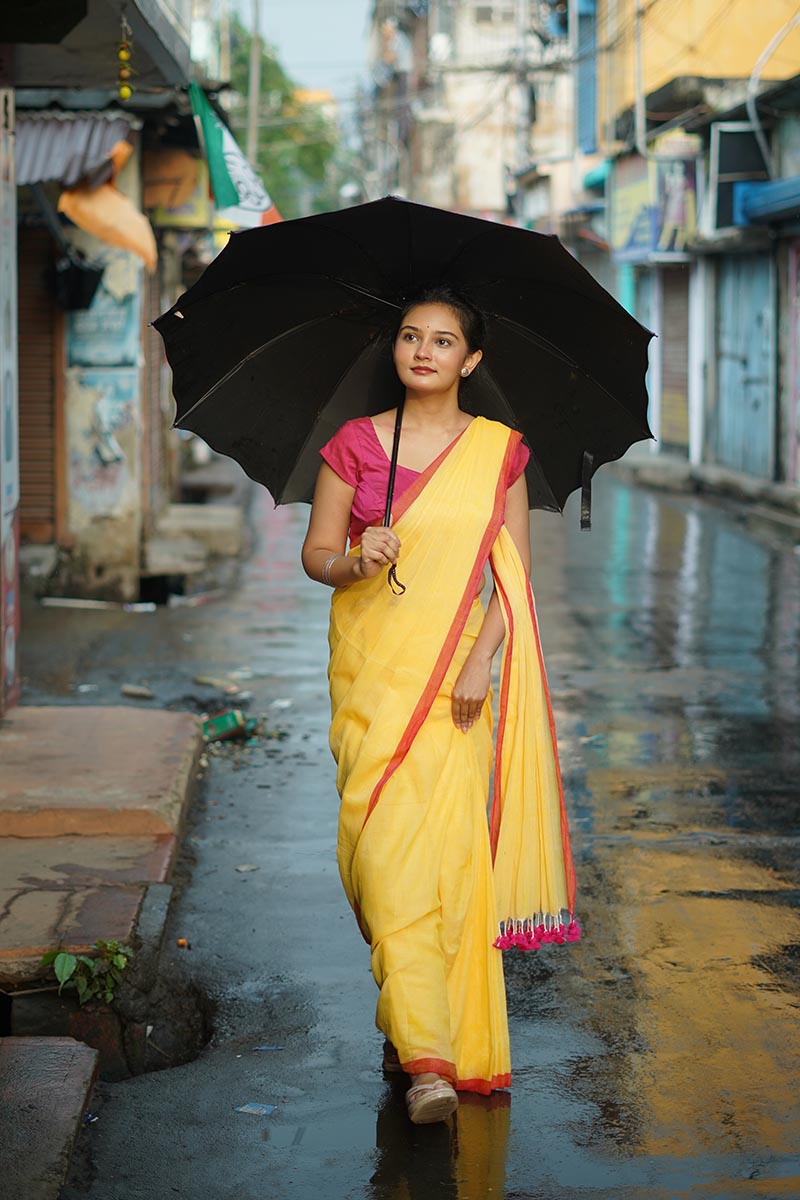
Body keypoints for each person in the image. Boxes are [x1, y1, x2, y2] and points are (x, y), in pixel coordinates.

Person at [301, 284, 578, 1126]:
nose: (423, 351)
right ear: (395, 349)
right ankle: (413, 1017)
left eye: (443, 340)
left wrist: (483, 663)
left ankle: (428, 1058)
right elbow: (318, 555)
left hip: (454, 684)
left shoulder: (499, 454)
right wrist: (356, 558)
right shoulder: (352, 445)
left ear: (472, 359)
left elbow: (512, 578)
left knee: (447, 867)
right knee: (380, 855)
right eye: (411, 337)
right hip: (373, 679)